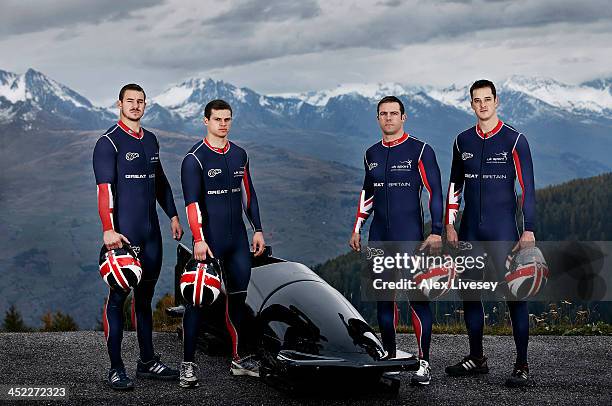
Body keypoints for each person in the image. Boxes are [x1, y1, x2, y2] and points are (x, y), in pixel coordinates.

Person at [444, 79, 536, 387]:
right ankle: (477, 358)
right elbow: (455, 187)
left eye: (487, 99)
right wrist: (449, 224)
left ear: (497, 101)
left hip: (504, 232)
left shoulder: (515, 140)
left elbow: (528, 190)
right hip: (470, 231)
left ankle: (522, 364)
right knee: (470, 294)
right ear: (471, 104)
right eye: (476, 100)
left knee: (515, 297)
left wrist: (529, 229)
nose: (482, 105)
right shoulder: (462, 141)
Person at [93, 83, 184, 390]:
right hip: (123, 237)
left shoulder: (151, 141)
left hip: (152, 236)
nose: (135, 106)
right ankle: (116, 368)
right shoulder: (109, 143)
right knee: (118, 300)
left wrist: (172, 214)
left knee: (144, 299)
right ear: (119, 104)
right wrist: (108, 228)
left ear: (145, 106)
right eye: (129, 101)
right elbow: (104, 189)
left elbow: (161, 183)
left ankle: (147, 362)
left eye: (140, 101)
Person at [349, 96, 443, 386]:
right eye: (383, 114)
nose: (388, 118)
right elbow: (368, 194)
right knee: (384, 299)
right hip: (379, 236)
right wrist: (357, 228)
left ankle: (423, 362)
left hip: (410, 238)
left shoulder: (420, 150)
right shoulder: (371, 153)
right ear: (378, 119)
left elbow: (435, 193)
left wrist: (437, 230)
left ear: (404, 117)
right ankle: (389, 355)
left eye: (393, 113)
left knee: (417, 300)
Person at [179, 99, 266, 388]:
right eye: (217, 119)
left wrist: (258, 230)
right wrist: (199, 239)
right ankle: (187, 365)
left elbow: (248, 196)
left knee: (238, 300)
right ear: (206, 121)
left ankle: (239, 359)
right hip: (210, 242)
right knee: (196, 303)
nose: (223, 124)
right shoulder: (195, 159)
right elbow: (192, 205)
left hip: (238, 241)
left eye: (227, 119)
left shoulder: (240, 154)